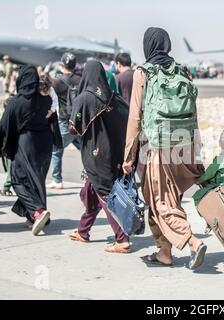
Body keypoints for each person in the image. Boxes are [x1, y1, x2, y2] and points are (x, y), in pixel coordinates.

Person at [122, 27, 206, 269]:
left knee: (160, 201)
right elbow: (193, 111)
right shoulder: (182, 71)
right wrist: (196, 147)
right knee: (168, 199)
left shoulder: (143, 73)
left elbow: (134, 118)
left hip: (157, 147)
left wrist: (128, 155)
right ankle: (164, 252)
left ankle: (192, 242)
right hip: (184, 143)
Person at [68, 60, 131, 254]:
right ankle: (83, 231)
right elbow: (127, 120)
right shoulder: (114, 98)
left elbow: (73, 128)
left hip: (95, 156)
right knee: (92, 192)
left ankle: (122, 239)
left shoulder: (84, 99)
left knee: (104, 194)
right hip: (114, 154)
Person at [0, 66, 57, 236]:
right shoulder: (45, 99)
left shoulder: (17, 101)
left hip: (27, 144)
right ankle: (32, 218)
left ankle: (38, 212)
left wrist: (6, 145)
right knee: (36, 179)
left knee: (18, 180)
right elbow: (53, 118)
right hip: (45, 144)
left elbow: (4, 126)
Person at [46, 53, 82, 190]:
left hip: (64, 121)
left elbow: (45, 84)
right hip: (79, 121)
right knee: (84, 149)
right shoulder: (80, 80)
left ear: (62, 65)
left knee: (56, 149)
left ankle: (57, 179)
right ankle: (91, 177)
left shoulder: (58, 81)